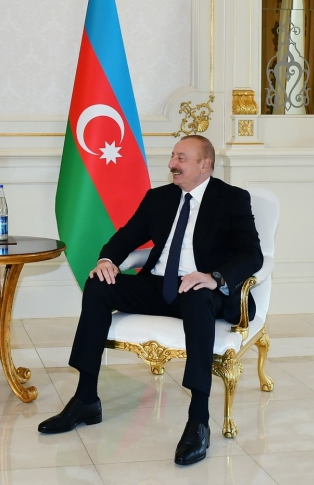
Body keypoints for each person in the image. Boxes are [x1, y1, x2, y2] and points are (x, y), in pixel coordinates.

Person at [38, 135, 263, 465]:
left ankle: (198, 419)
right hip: (160, 287)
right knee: (98, 285)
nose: (172, 164)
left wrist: (214, 277)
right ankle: (85, 399)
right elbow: (126, 237)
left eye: (181, 158)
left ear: (205, 165)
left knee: (198, 297)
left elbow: (252, 254)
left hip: (202, 291)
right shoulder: (159, 198)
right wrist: (107, 261)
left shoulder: (232, 199)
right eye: (172, 156)